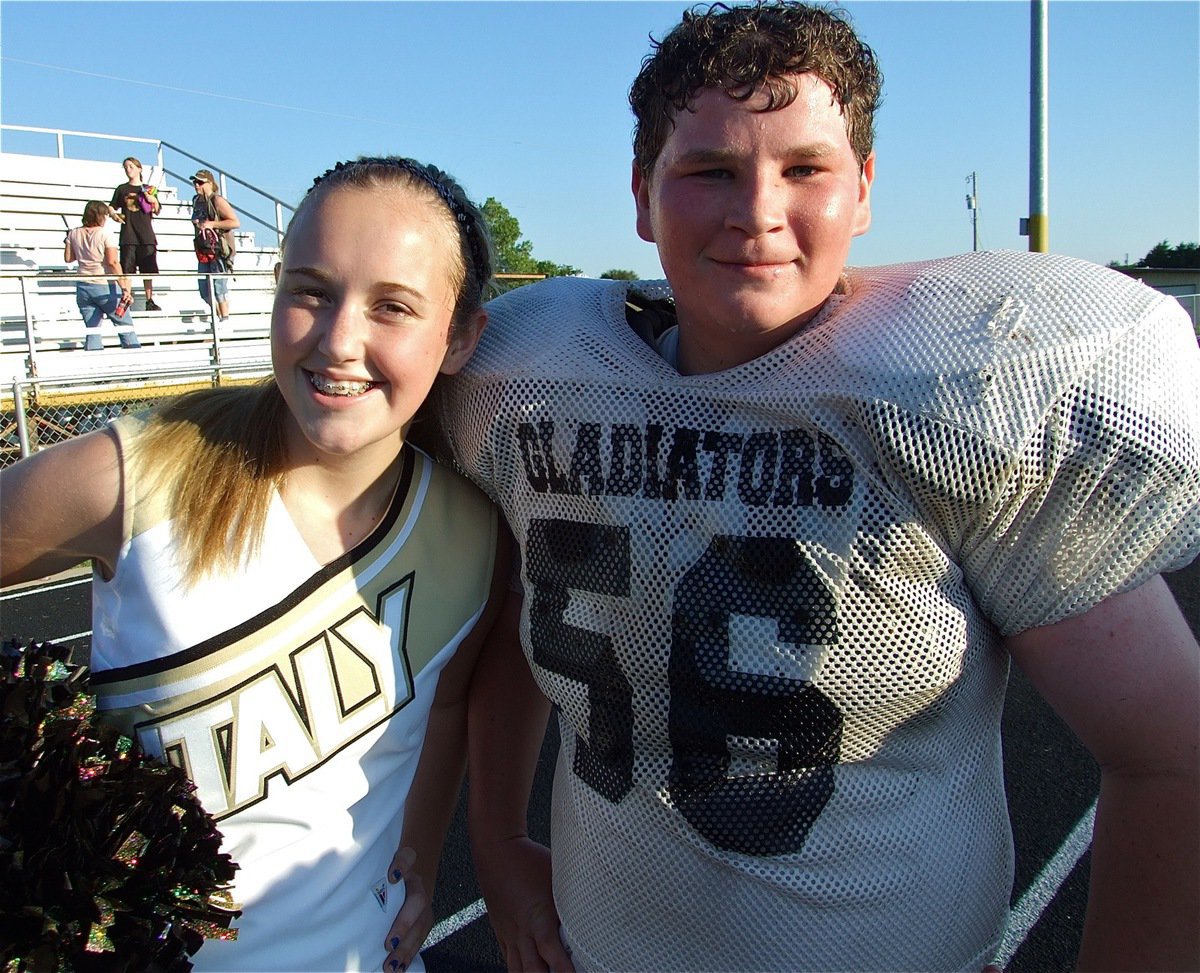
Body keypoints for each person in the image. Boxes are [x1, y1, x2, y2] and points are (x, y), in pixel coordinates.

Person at [440, 3, 1200, 971]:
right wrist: (498, 841)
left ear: (865, 189)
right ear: (641, 196)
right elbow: (517, 619)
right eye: (709, 169)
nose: (757, 210)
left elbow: (1172, 755)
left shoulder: (963, 392)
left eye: (806, 169)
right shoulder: (532, 377)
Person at [3, 156, 505, 973]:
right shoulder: (135, 474)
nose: (340, 338)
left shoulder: (476, 534)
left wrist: (418, 844)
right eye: (311, 289)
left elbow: (441, 712)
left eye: (393, 307)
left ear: (459, 338)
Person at [63, 199, 141, 350]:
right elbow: (112, 262)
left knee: (93, 330)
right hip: (105, 285)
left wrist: (68, 241)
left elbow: (68, 258)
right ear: (100, 216)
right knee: (124, 325)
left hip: (83, 285)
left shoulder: (74, 233)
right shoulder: (105, 234)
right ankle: (136, 360)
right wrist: (124, 287)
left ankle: (94, 362)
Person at [109, 156, 162, 311]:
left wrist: (154, 200)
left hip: (146, 234)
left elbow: (157, 210)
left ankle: (149, 299)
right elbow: (111, 206)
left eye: (131, 166)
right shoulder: (121, 189)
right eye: (126, 167)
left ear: (139, 168)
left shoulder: (149, 188)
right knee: (127, 269)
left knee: (148, 270)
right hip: (128, 234)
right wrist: (113, 215)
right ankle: (127, 297)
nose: (128, 169)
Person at [190, 168, 240, 320]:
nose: (196, 185)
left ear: (210, 183)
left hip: (219, 250)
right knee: (205, 291)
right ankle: (218, 319)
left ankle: (225, 319)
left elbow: (235, 222)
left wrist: (212, 224)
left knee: (219, 288)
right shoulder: (196, 201)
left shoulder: (217, 200)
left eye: (200, 182)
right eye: (194, 182)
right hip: (203, 250)